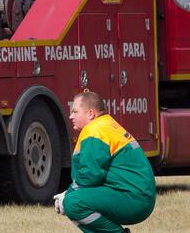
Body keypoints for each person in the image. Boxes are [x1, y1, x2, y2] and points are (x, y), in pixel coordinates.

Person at [54, 92, 156, 232]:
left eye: (75, 112)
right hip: (139, 197)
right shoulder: (105, 125)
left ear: (90, 114)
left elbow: (91, 174)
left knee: (73, 203)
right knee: (74, 200)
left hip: (133, 198)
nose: (71, 116)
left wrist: (68, 194)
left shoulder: (95, 130)